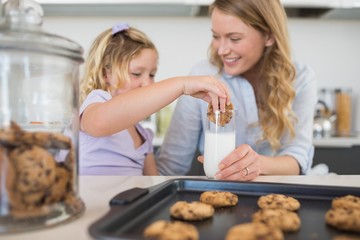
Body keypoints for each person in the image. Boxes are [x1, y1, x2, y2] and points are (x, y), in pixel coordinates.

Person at [156, 0, 317, 180]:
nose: (222, 50)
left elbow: (297, 159)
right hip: (220, 192)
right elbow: (171, 164)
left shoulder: (300, 78)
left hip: (277, 197)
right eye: (216, 36)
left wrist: (257, 163)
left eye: (234, 38)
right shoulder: (202, 76)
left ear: (269, 36)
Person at [79, 23, 230, 176]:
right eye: (137, 74)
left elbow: (154, 184)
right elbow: (99, 122)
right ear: (106, 74)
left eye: (152, 75)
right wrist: (182, 84)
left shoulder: (142, 134)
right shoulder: (97, 101)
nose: (148, 83)